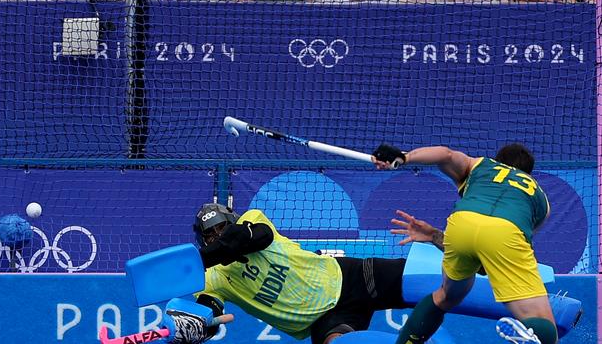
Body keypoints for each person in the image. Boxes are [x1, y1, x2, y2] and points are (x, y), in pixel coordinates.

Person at [371, 143, 556, 344]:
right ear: (529, 173)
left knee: (444, 297)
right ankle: (532, 336)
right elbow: (492, 255)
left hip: (462, 223)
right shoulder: (542, 201)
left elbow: (445, 154)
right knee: (542, 323)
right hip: (506, 231)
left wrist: (405, 157)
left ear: (497, 160)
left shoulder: (482, 165)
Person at [191, 202, 442, 344]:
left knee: (436, 282)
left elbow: (256, 237)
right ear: (204, 241)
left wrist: (203, 257)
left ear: (233, 222)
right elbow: (208, 311)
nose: (218, 236)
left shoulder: (253, 220)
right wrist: (195, 325)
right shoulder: (211, 278)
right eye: (210, 235)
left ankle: (479, 266)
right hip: (324, 320)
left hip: (352, 277)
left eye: (221, 228)